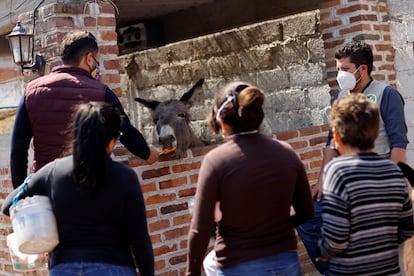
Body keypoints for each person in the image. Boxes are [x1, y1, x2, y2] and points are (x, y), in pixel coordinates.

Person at [2, 102, 154, 276]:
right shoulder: (126, 178)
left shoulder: (53, 172)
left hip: (63, 268)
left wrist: (42, 215)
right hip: (115, 267)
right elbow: (140, 241)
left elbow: (9, 205)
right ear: (111, 141)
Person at [297, 40, 409, 274]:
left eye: (345, 69)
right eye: (338, 69)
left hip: (378, 175)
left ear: (362, 70)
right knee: (307, 216)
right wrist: (321, 182)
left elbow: (398, 143)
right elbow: (331, 142)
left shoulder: (386, 94)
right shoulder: (341, 98)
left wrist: (387, 182)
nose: (340, 74)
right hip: (345, 178)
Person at [186, 81, 314, 276]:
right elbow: (306, 211)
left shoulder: (216, 161)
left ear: (222, 121)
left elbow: (200, 228)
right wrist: (273, 226)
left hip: (237, 264)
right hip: (285, 261)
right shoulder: (287, 153)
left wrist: (192, 272)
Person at [10, 30, 158, 189]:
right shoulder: (102, 92)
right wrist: (149, 154)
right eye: (96, 60)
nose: (96, 65)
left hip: (47, 187)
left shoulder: (31, 91)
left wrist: (20, 193)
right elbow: (127, 133)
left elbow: (18, 151)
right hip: (90, 187)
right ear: (89, 58)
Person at [317, 93, 414, 275]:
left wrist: (323, 250)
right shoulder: (394, 171)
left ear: (336, 137)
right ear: (376, 134)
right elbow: (408, 227)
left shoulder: (337, 171)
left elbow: (336, 238)